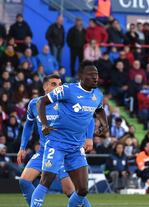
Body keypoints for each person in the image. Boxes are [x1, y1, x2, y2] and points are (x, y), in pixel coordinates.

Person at [30, 61, 108, 207]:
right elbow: (42, 102)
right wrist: (45, 124)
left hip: (76, 146)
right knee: (46, 181)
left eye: (96, 75)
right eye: (91, 75)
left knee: (83, 189)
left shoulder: (97, 94)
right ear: (81, 76)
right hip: (57, 143)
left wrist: (105, 123)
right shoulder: (67, 90)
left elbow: (99, 109)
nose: (95, 78)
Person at [17, 74, 93, 207]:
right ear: (45, 87)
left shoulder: (69, 103)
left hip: (65, 152)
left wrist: (89, 137)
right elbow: (28, 124)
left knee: (70, 190)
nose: (58, 87)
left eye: (60, 84)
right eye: (54, 84)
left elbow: (89, 118)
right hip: (44, 151)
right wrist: (22, 147)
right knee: (24, 181)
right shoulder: (35, 104)